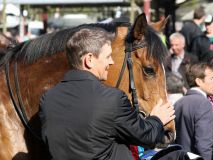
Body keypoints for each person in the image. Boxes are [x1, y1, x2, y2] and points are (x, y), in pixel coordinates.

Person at [38, 27, 175, 160]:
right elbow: (146, 137)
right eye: (108, 56)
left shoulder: (47, 99)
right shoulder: (112, 99)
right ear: (89, 59)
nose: (111, 62)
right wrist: (157, 120)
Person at [174, 62, 213, 160]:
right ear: (199, 81)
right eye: (211, 78)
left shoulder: (178, 103)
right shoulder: (203, 103)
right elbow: (203, 144)